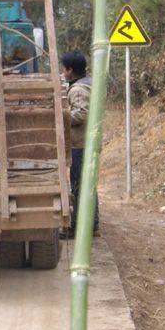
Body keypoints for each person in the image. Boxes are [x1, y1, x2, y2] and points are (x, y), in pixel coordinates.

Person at [61, 50, 99, 235]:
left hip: (80, 144)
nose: (63, 73)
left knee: (79, 185)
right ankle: (92, 225)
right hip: (89, 142)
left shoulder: (77, 89)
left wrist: (61, 117)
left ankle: (81, 228)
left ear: (70, 70)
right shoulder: (89, 83)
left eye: (64, 69)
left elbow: (81, 114)